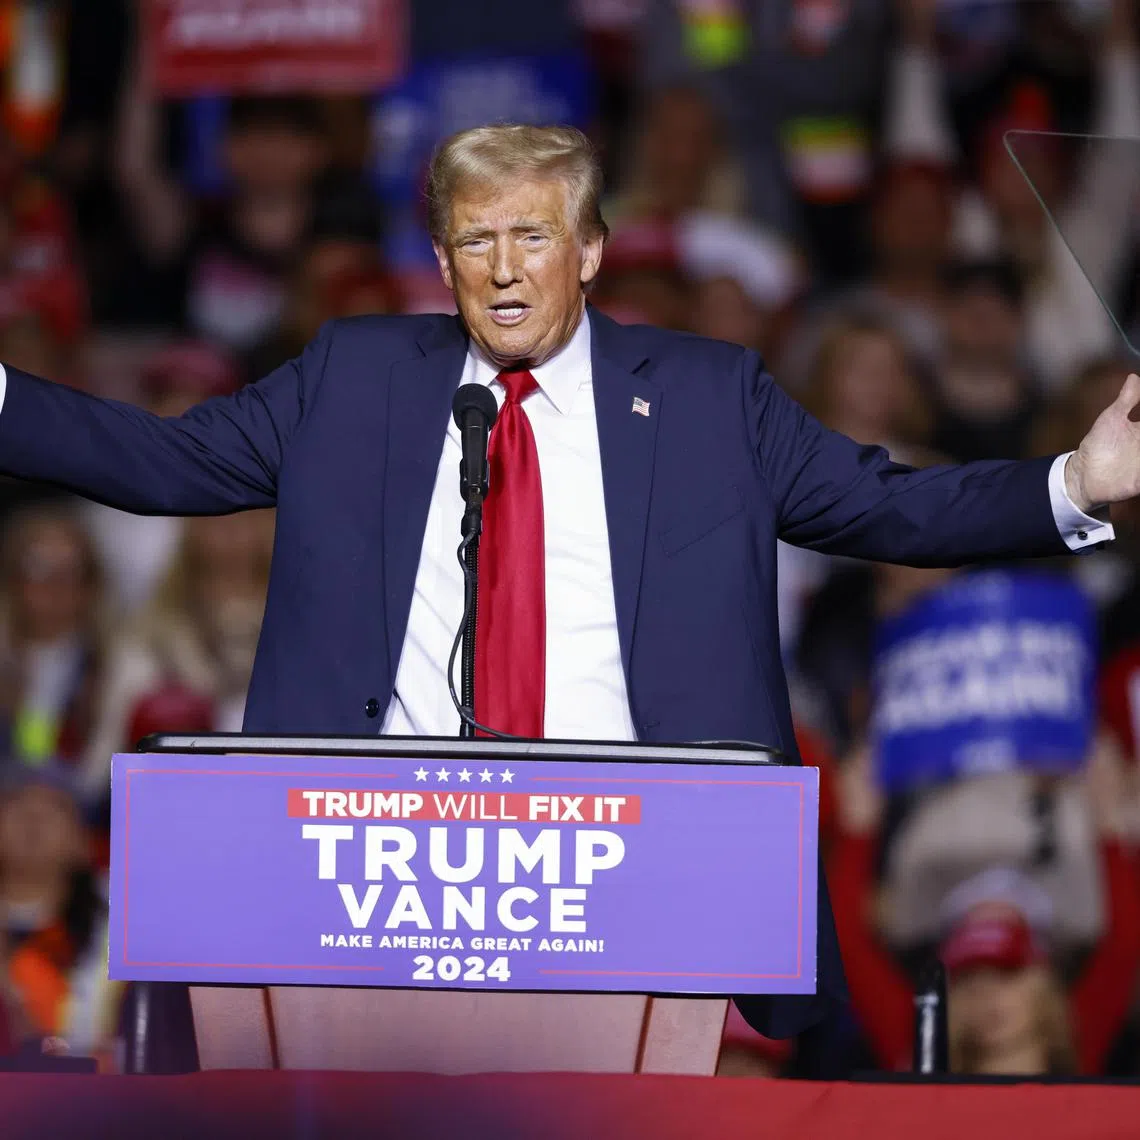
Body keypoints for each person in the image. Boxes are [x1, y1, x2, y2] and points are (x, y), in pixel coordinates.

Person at [0, 123, 1137, 1040]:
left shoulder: (709, 398)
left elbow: (893, 505)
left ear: (589, 249)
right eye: (474, 239)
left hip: (638, 868)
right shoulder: (351, 380)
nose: (503, 268)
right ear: (439, 260)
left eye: (533, 236)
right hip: (375, 878)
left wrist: (1074, 480)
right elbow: (165, 461)